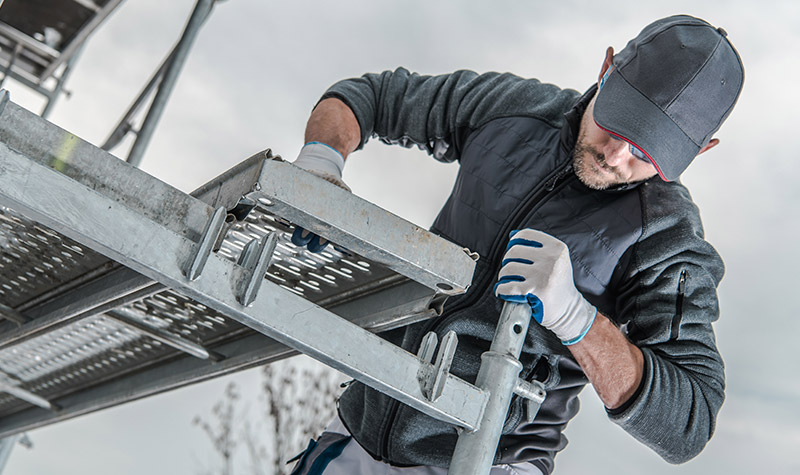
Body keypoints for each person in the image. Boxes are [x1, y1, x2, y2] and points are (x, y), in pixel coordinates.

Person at [288, 15, 744, 475]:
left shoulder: (666, 238)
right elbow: (372, 97)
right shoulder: (512, 109)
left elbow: (690, 421)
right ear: (606, 69)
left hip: (490, 461)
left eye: (647, 152)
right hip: (361, 430)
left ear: (700, 150)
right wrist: (320, 161)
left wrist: (578, 320)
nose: (615, 155)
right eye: (617, 124)